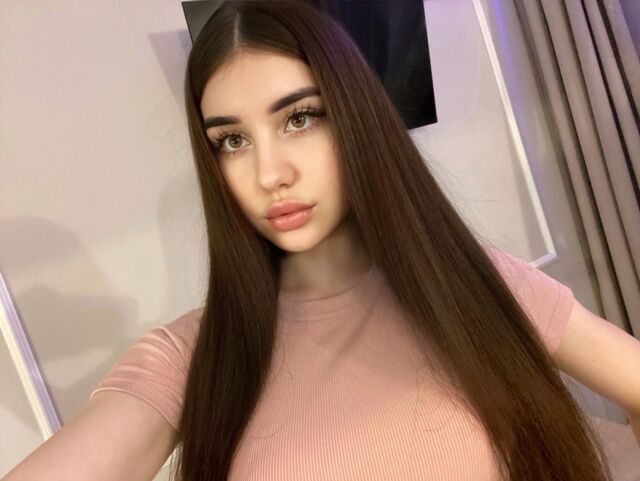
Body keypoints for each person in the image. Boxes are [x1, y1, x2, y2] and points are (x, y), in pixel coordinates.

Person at [7, 1, 639, 480]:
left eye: (300, 117)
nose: (268, 174)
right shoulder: (194, 358)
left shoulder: (472, 286)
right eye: (232, 140)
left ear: (356, 116)